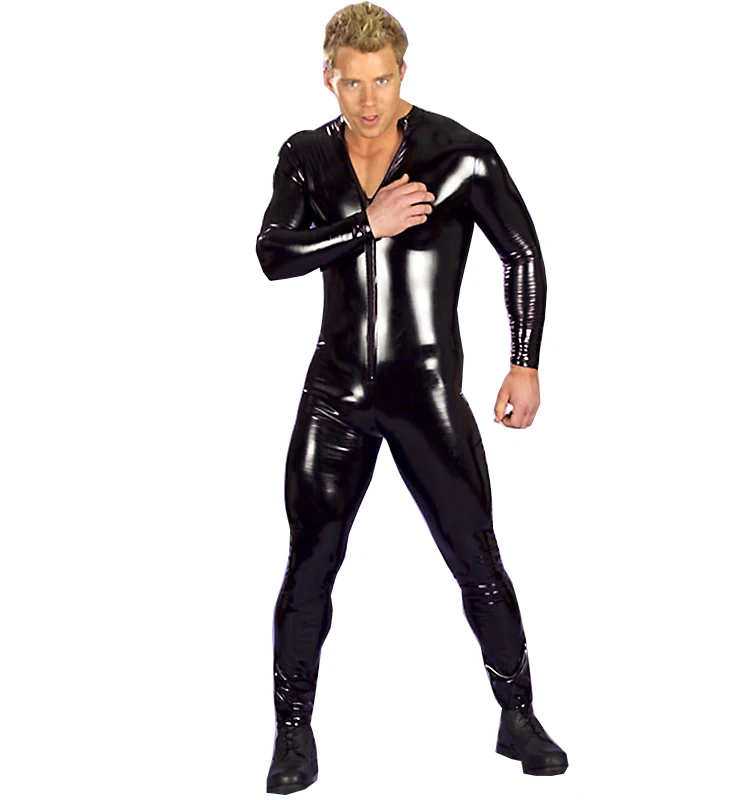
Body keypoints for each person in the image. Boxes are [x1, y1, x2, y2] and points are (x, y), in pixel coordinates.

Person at [256, 2, 567, 793]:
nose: (369, 100)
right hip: (335, 393)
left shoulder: (459, 154)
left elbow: (523, 253)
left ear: (403, 73)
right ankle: (292, 734)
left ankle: (519, 716)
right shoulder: (305, 155)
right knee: (309, 566)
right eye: (352, 83)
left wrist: (524, 362)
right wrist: (366, 224)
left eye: (382, 80)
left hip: (425, 393)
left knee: (477, 559)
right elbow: (272, 253)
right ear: (328, 79)